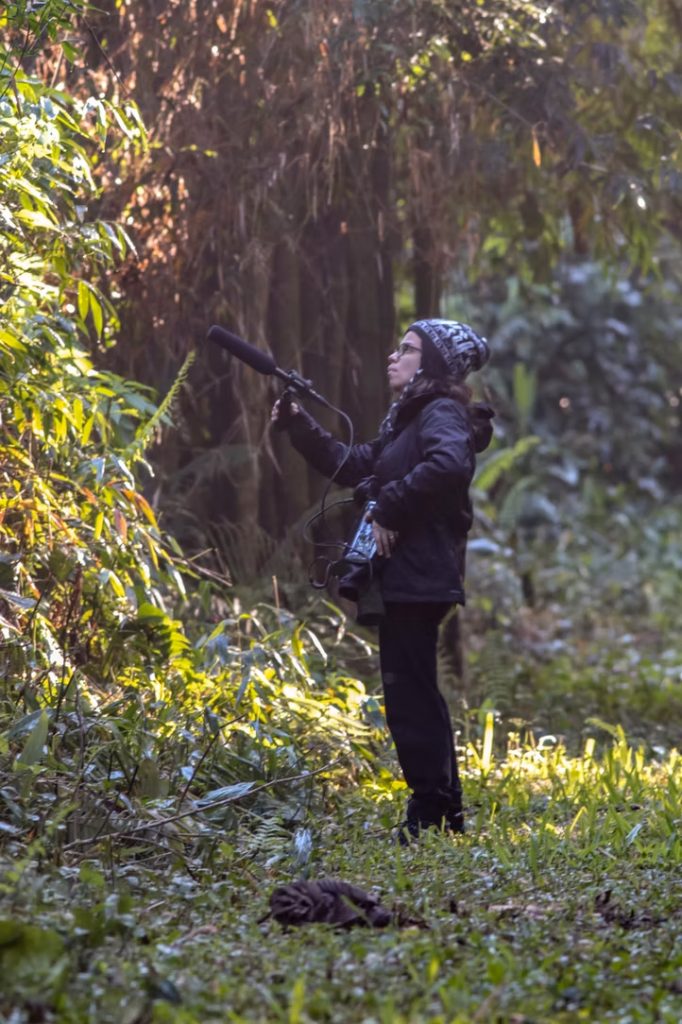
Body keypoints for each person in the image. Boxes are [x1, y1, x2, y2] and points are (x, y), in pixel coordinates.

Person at [271, 319, 494, 842]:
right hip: (408, 576)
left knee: (410, 693)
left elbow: (448, 466)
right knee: (411, 690)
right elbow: (353, 465)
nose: (394, 356)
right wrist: (301, 425)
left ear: (433, 364)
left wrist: (390, 506)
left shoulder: (440, 413)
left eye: (408, 349)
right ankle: (441, 811)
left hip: (420, 576)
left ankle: (433, 814)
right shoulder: (408, 420)